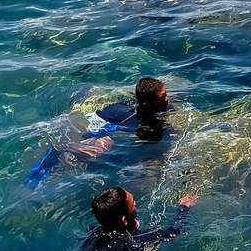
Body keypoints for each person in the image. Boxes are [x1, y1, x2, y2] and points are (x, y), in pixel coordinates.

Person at [26, 78, 172, 187]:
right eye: (163, 97)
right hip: (98, 127)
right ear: (147, 104)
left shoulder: (145, 108)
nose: (168, 99)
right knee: (98, 150)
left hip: (105, 123)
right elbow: (98, 128)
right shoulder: (128, 117)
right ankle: (58, 151)